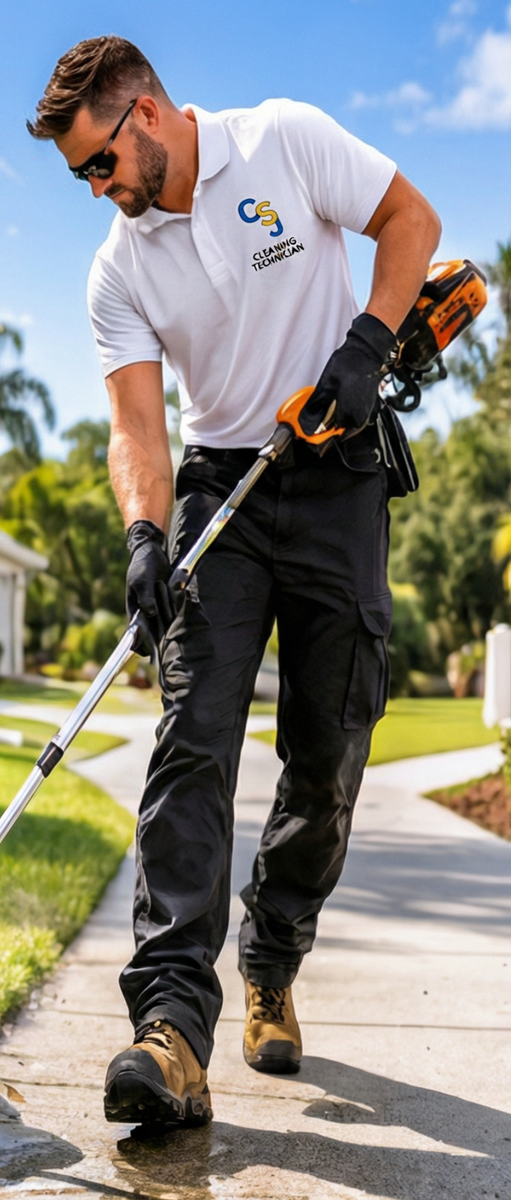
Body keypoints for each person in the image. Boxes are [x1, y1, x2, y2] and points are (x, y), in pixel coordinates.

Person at [28, 37, 441, 1130]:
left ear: (145, 114)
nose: (96, 189)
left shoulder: (283, 141)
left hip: (339, 467)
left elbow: (413, 222)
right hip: (224, 492)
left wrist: (366, 345)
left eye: (100, 163)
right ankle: (170, 1028)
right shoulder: (118, 268)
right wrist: (143, 537)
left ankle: (273, 956)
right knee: (193, 739)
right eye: (80, 176)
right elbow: (137, 426)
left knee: (330, 749)